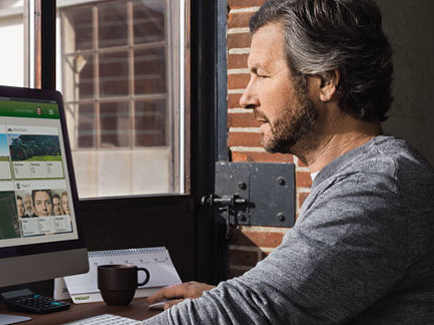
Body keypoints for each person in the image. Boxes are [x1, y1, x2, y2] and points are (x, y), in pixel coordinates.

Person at [144, 0, 434, 324]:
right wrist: (221, 299)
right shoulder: (359, 175)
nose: (246, 98)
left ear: (325, 81)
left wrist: (234, 305)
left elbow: (261, 307)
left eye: (262, 75)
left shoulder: (379, 186)